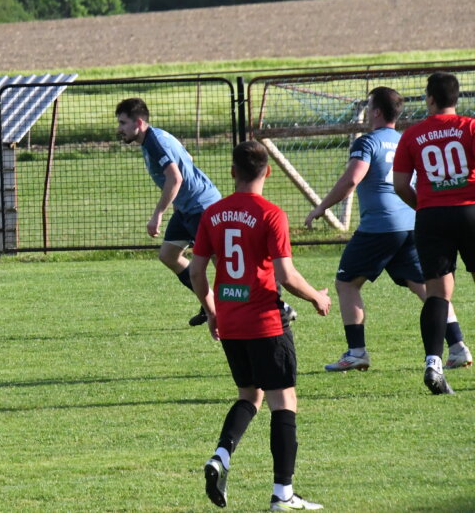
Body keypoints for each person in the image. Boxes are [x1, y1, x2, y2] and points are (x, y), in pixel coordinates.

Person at [190, 140, 330, 511]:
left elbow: (196, 270)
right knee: (283, 400)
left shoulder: (212, 214)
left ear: (232, 172)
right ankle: (283, 494)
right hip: (266, 322)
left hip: (231, 321)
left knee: (250, 396)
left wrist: (212, 311)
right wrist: (317, 297)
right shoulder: (271, 214)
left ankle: (220, 456)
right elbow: (286, 275)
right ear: (267, 171)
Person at [305, 86, 471, 372]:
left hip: (380, 226)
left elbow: (351, 180)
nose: (367, 112)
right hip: (410, 223)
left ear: (377, 112)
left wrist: (321, 207)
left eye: (370, 106)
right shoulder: (404, 139)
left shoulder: (367, 142)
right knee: (429, 288)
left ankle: (356, 351)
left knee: (347, 283)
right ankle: (457, 347)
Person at [116, 97, 296, 326]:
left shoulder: (155, 142)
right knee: (169, 255)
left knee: (225, 265)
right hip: (186, 208)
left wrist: (158, 214)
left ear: (139, 123)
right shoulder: (157, 136)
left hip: (201, 207)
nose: (119, 128)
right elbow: (187, 158)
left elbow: (175, 178)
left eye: (123, 123)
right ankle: (209, 302)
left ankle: (279, 306)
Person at [393, 71, 475, 395]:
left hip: (431, 217)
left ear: (429, 99)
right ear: (456, 97)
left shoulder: (413, 134)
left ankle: (433, 363)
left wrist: (425, 205)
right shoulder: (469, 127)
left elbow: (400, 184)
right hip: (470, 210)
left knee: (438, 293)